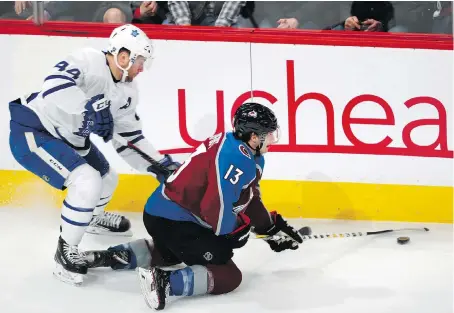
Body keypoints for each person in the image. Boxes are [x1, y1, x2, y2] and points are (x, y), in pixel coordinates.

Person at [84, 102, 308, 310]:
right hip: (174, 220)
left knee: (171, 253)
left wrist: (268, 227)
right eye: (268, 135)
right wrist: (235, 232)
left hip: (160, 212)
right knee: (228, 275)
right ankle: (163, 282)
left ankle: (109, 256)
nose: (272, 140)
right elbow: (216, 209)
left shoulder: (238, 147)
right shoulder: (238, 159)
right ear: (253, 137)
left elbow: (246, 198)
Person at [8, 24, 180, 286]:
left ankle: (91, 219)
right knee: (87, 180)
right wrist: (87, 109)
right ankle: (64, 252)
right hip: (33, 130)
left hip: (69, 137)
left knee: (107, 178)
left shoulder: (127, 93)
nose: (141, 69)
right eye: (140, 61)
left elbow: (129, 139)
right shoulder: (87, 59)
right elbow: (53, 86)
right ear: (124, 57)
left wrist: (158, 164)